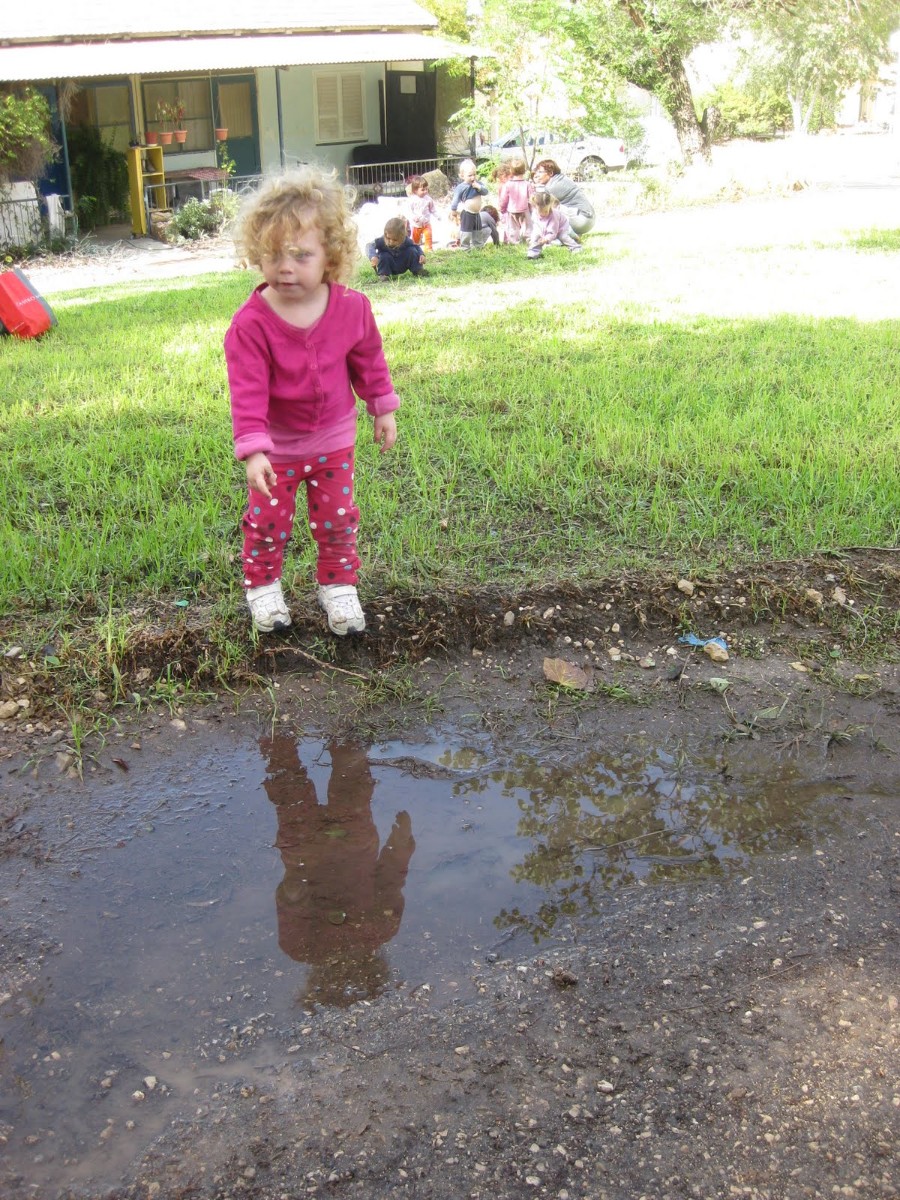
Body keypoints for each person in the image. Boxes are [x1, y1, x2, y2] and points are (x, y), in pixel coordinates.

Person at [224, 167, 400, 637]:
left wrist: (382, 405)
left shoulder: (351, 309)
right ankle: (263, 588)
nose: (286, 266)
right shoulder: (250, 326)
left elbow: (369, 360)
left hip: (334, 441)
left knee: (338, 518)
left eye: (301, 255)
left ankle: (338, 587)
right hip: (277, 449)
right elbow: (247, 391)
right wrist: (255, 449)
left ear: (331, 256)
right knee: (267, 522)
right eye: (274, 254)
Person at [531, 158, 595, 237]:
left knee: (546, 208)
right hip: (588, 220)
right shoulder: (560, 179)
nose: (536, 175)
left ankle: (557, 237)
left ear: (550, 173)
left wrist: (534, 186)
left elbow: (538, 201)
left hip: (582, 220)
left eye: (540, 172)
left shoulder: (553, 186)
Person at [366, 215, 427, 280]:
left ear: (402, 237)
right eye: (388, 238)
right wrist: (373, 256)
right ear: (385, 234)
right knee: (384, 255)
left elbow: (416, 246)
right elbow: (369, 245)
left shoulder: (406, 240)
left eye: (395, 240)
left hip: (402, 263)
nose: (391, 242)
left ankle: (418, 270)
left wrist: (421, 255)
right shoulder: (381, 240)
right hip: (388, 265)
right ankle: (383, 275)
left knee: (412, 250)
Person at [526, 189, 583, 259]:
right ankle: (533, 253)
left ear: (550, 206)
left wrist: (546, 239)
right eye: (540, 211)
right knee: (535, 237)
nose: (543, 214)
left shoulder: (554, 216)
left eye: (545, 211)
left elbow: (553, 232)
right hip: (543, 228)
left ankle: (576, 248)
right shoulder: (534, 213)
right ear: (534, 207)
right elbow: (536, 225)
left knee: (563, 237)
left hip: (560, 227)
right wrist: (538, 235)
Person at [450, 158, 490, 250]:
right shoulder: (461, 187)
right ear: (462, 176)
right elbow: (455, 199)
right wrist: (453, 210)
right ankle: (465, 247)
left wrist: (478, 187)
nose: (472, 177)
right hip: (467, 212)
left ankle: (478, 245)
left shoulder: (478, 184)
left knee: (477, 230)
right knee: (466, 231)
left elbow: (485, 192)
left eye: (474, 175)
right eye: (469, 175)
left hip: (476, 212)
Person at [498, 157, 533, 245]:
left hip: (512, 210)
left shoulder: (508, 185)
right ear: (524, 171)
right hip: (525, 209)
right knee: (528, 226)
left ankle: (514, 242)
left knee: (513, 228)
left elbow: (503, 199)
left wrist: (502, 209)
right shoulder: (527, 184)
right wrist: (532, 210)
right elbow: (532, 198)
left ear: (511, 171)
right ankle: (528, 239)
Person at [405, 175, 437, 252]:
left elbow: (432, 209)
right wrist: (413, 217)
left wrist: (437, 215)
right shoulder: (412, 200)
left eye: (426, 189)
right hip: (416, 224)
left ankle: (428, 249)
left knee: (428, 235)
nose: (425, 191)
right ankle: (414, 250)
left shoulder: (428, 199)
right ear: (415, 190)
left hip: (426, 222)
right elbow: (408, 211)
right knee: (415, 238)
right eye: (422, 190)